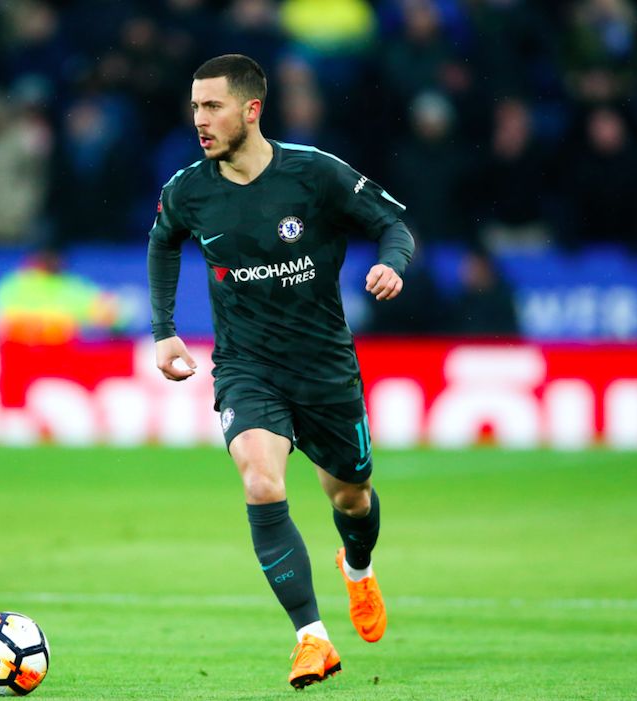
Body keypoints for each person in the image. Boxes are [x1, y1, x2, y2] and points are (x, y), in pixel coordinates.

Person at [147, 54, 414, 689]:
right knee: (261, 483)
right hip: (246, 366)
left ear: (251, 110)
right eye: (195, 106)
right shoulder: (188, 189)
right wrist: (163, 329)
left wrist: (392, 264)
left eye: (213, 106)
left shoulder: (314, 173)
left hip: (324, 368)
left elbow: (393, 225)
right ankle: (311, 638)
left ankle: (357, 567)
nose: (199, 119)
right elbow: (163, 241)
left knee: (351, 496)